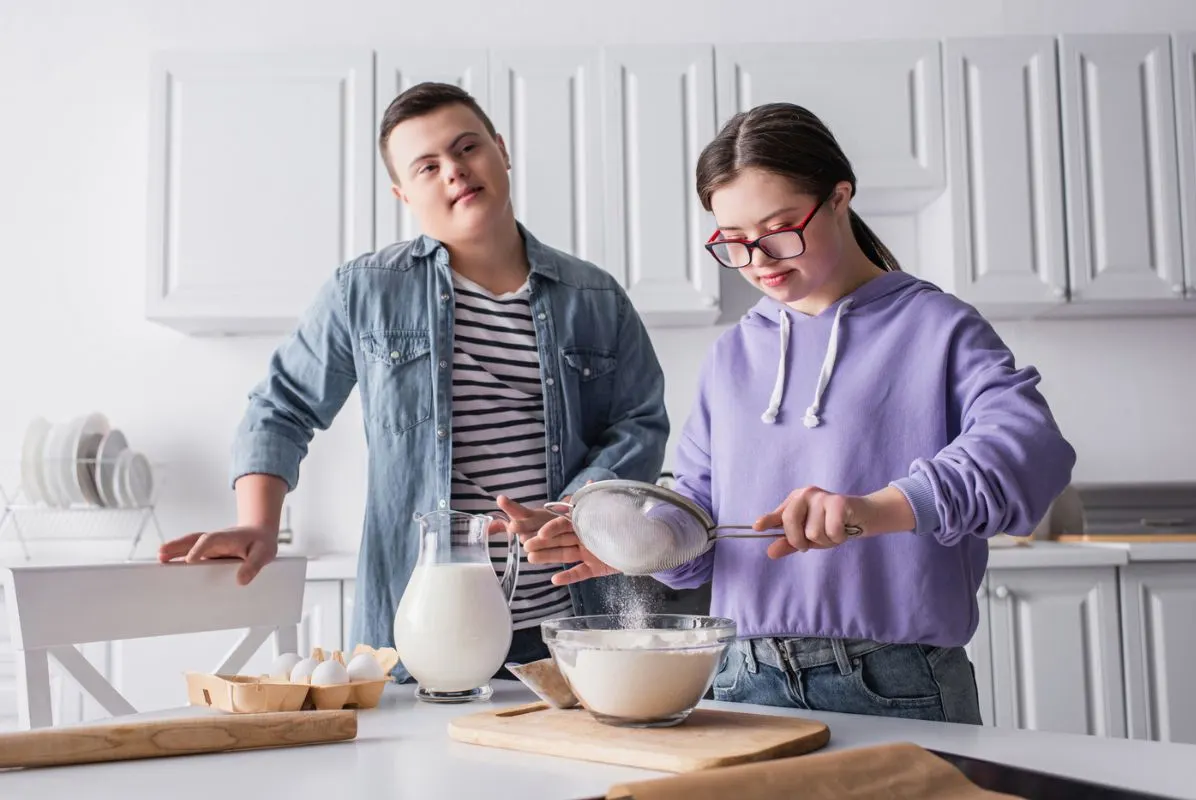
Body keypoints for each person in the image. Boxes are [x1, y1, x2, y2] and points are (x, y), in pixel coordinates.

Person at [522, 102, 1077, 723]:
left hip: (894, 683)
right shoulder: (732, 355)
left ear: (840, 197)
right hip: (737, 678)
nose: (759, 259)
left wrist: (877, 509)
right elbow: (700, 532)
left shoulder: (938, 328)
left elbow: (1030, 450)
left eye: (780, 229)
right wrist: (638, 544)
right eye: (733, 242)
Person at [158, 82, 670, 678]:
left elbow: (640, 421)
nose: (454, 171)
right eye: (428, 166)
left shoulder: (596, 297)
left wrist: (576, 509)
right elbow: (281, 406)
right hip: (421, 633)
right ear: (404, 193)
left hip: (569, 630)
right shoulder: (365, 291)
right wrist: (258, 523)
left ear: (501, 151)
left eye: (467, 148)